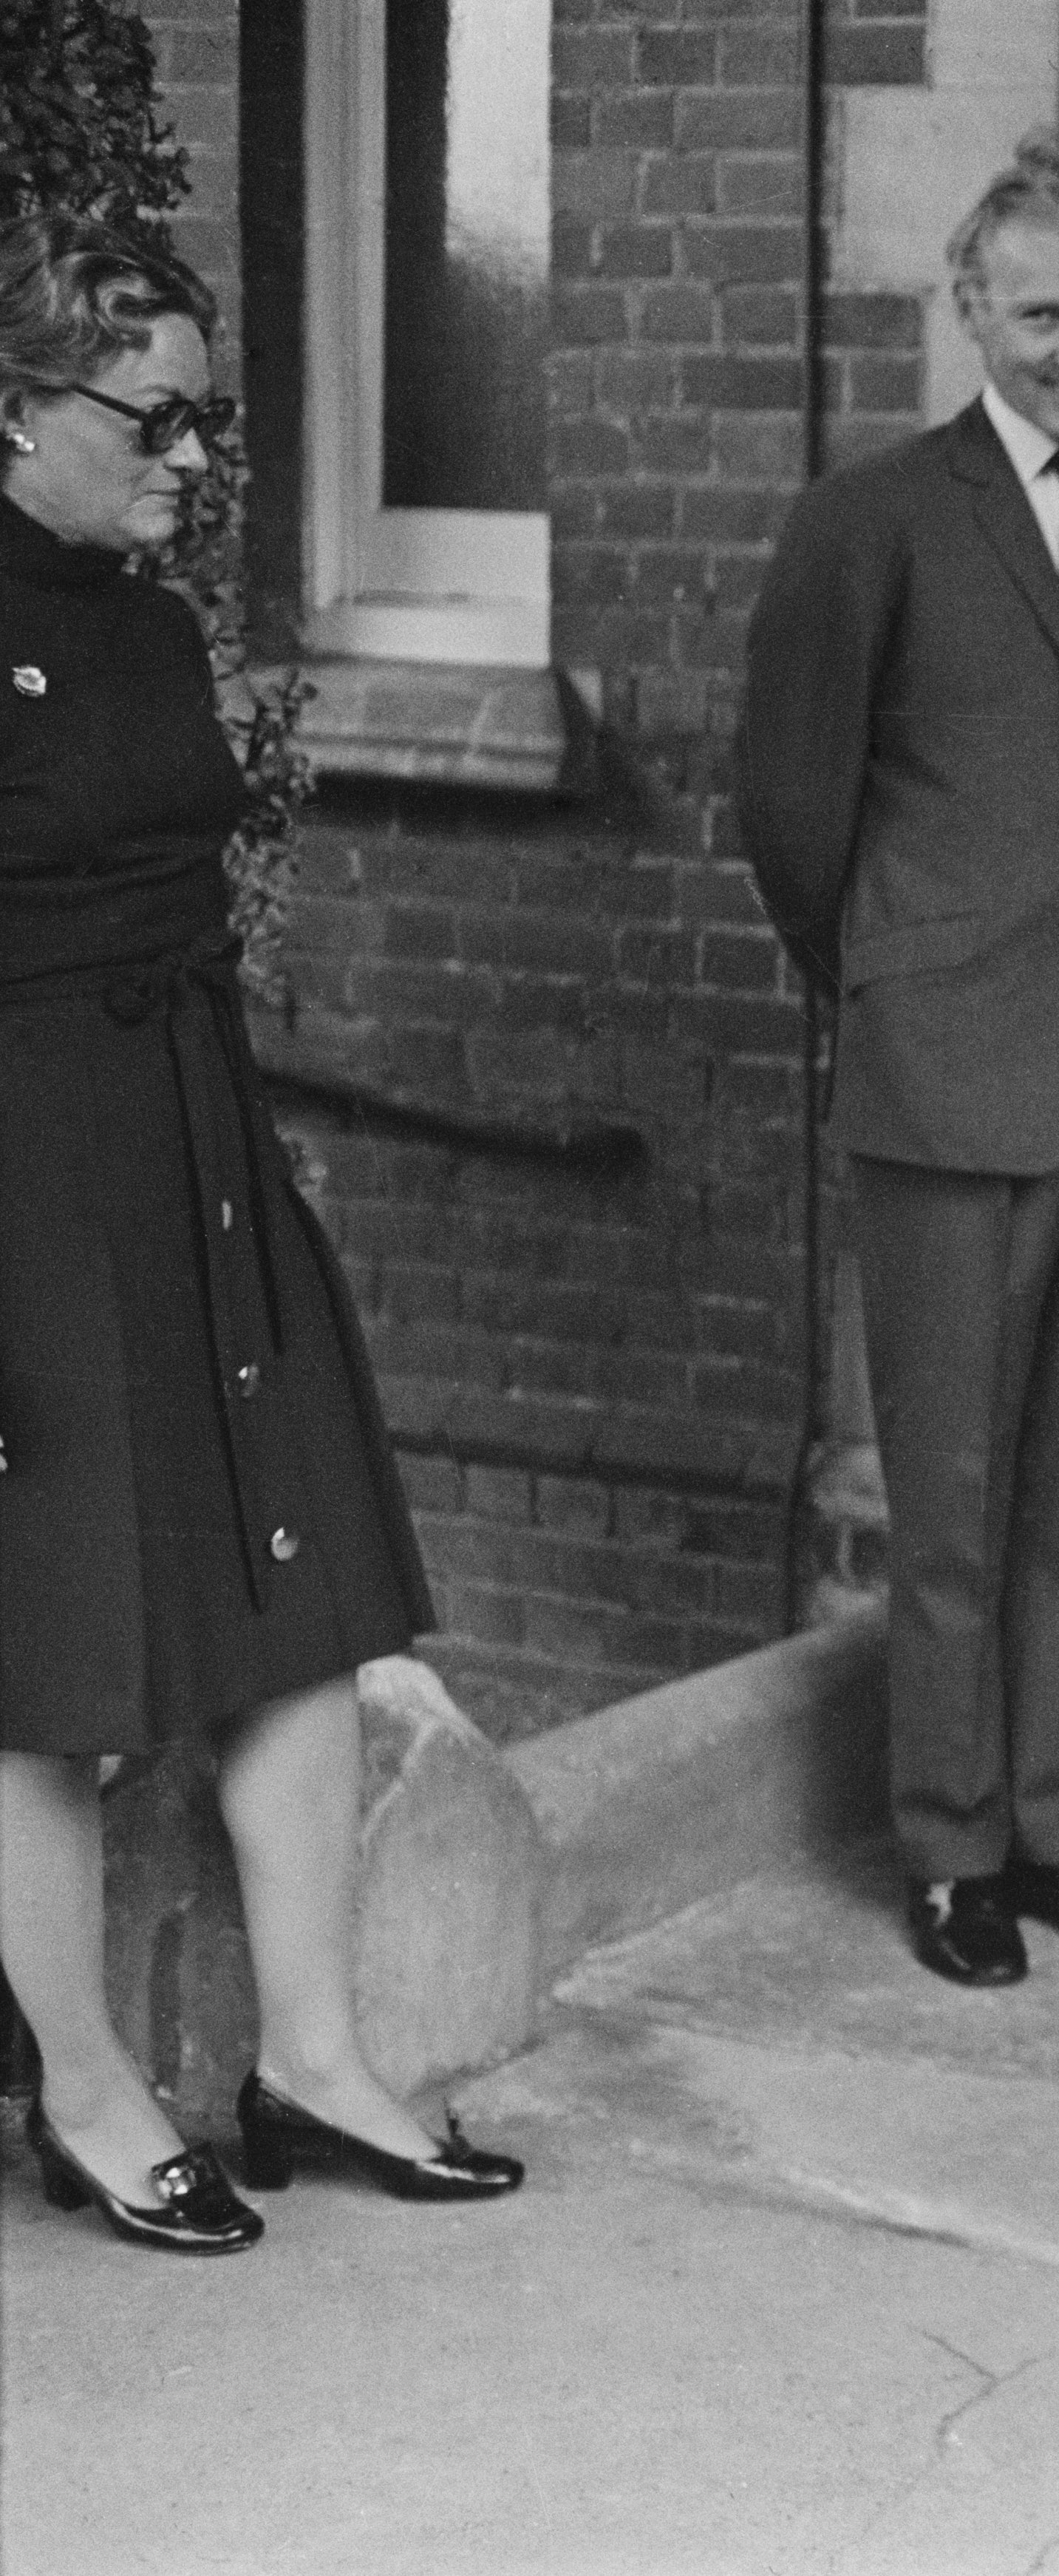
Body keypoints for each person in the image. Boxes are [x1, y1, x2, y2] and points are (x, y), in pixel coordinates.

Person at [1, 211, 522, 2249]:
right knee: (41, 1667)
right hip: (22, 1177)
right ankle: (95, 2091)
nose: (194, 459)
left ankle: (310, 2060)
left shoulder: (131, 611)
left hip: (191, 1141)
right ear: (15, 403)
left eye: (210, 420)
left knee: (297, 1614)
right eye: (156, 417)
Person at [740, 140, 1059, 1987]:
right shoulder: (869, 519)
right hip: (949, 1067)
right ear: (973, 315)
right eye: (1043, 316)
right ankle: (946, 1848)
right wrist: (900, 984)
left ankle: (1056, 1831)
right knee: (947, 1485)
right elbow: (793, 815)